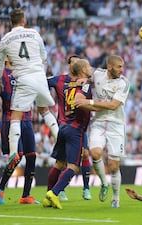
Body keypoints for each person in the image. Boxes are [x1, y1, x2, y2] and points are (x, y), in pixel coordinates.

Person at [0, 8, 58, 166]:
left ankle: (13, 152)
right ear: (23, 20)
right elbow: (44, 57)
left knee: (16, 116)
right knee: (44, 111)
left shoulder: (6, 39)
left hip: (24, 78)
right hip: (39, 76)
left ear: (11, 21)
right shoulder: (34, 34)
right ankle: (60, 140)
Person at [74, 55, 130, 208]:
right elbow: (89, 78)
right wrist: (85, 81)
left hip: (116, 125)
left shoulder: (124, 83)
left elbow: (113, 106)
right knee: (95, 153)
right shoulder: (98, 74)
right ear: (110, 67)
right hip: (98, 123)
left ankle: (116, 197)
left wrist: (89, 102)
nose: (122, 70)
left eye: (122, 66)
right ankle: (104, 183)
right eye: (119, 67)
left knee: (113, 166)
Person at [42, 59, 93, 209]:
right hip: (75, 130)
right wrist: (98, 106)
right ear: (83, 69)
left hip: (63, 127)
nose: (91, 68)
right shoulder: (85, 85)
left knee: (59, 164)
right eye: (88, 66)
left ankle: (47, 197)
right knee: (73, 167)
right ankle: (55, 193)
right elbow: (80, 101)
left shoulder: (68, 86)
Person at [0, 58, 38, 205]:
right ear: (6, 57)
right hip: (11, 118)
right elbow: (3, 93)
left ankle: (26, 195)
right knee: (16, 156)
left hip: (27, 118)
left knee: (31, 156)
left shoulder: (24, 72)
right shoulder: (3, 74)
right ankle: (0, 188)